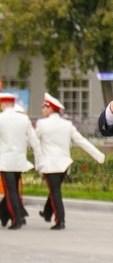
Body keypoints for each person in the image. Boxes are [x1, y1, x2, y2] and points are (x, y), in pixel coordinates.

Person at [35, 93, 104, 230]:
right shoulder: (67, 125)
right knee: (54, 190)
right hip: (64, 164)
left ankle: (60, 220)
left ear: (49, 108)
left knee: (55, 192)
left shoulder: (42, 124)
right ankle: (47, 213)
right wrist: (98, 155)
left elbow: (33, 140)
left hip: (50, 165)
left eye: (44, 107)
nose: (42, 110)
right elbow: (82, 141)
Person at [0, 92, 38, 229]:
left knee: (10, 191)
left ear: (2, 104)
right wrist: (38, 158)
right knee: (13, 189)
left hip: (5, 161)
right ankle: (7, 214)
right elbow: (33, 140)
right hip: (19, 161)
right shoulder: (24, 119)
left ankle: (16, 219)